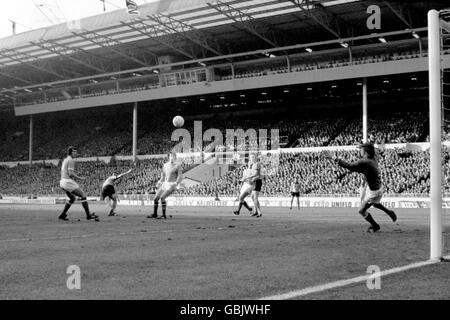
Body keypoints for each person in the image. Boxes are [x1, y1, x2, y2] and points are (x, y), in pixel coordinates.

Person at [324, 142, 397, 232]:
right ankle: (389, 212)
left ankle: (375, 225)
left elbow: (349, 166)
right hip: (377, 187)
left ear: (365, 151)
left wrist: (334, 158)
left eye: (361, 149)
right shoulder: (373, 156)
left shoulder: (364, 162)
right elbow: (376, 150)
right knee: (375, 203)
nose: (360, 151)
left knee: (361, 211)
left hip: (373, 192)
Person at [58, 146, 99, 221]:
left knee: (72, 198)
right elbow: (70, 173)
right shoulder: (70, 160)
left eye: (76, 151)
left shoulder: (65, 160)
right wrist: (80, 178)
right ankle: (88, 216)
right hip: (67, 181)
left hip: (62, 182)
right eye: (74, 151)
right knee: (83, 195)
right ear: (70, 152)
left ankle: (62, 215)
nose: (76, 153)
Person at [147, 152, 182, 219]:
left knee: (162, 198)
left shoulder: (177, 166)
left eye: (174, 156)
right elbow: (162, 177)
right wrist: (159, 183)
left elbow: (180, 176)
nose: (172, 157)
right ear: (169, 157)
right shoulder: (165, 165)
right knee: (156, 199)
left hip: (171, 184)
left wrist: (176, 183)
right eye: (171, 156)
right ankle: (155, 214)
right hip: (165, 184)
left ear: (175, 157)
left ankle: (163, 215)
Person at [249, 153, 263, 217]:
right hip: (254, 181)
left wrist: (249, 177)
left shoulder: (257, 164)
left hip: (257, 181)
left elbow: (256, 174)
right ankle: (255, 211)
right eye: (251, 157)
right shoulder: (253, 165)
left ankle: (259, 212)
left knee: (255, 197)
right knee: (252, 196)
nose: (251, 158)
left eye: (253, 157)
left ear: (255, 158)